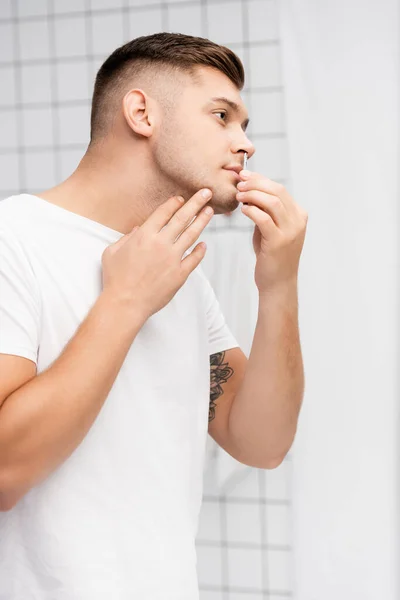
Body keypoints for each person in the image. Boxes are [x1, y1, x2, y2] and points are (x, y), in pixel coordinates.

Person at [0, 32, 307, 599]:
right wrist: (125, 302)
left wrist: (279, 283)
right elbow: (3, 471)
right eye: (222, 116)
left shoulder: (177, 269)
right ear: (141, 112)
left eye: (244, 125)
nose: (245, 144)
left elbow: (261, 444)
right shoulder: (13, 239)